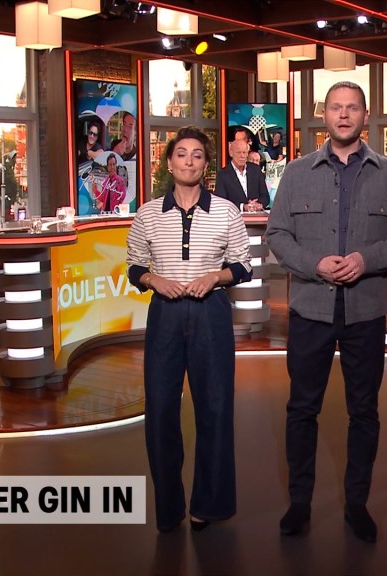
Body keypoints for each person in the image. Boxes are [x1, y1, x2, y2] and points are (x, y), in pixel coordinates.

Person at [266, 81, 387, 543]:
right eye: (336, 107)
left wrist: (365, 259)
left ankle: (357, 504)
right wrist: (313, 264)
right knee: (302, 409)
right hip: (310, 309)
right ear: (325, 115)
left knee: (364, 412)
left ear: (365, 115)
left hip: (365, 313)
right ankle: (299, 503)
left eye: (352, 107)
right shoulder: (297, 173)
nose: (344, 115)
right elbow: (277, 235)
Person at [125, 126, 252, 534]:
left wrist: (215, 277)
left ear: (206, 164)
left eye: (197, 155)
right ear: (169, 162)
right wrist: (153, 280)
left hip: (210, 314)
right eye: (181, 154)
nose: (189, 161)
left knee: (215, 409)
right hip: (165, 314)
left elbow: (243, 265)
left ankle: (208, 505)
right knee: (160, 412)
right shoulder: (147, 214)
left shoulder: (227, 212)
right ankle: (169, 507)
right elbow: (134, 266)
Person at [213, 138, 270, 211]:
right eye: (239, 152)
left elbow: (265, 196)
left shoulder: (256, 170)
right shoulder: (223, 174)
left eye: (244, 152)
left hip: (255, 215)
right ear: (231, 153)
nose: (242, 156)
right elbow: (221, 202)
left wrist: (259, 204)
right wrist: (243, 207)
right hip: (234, 216)